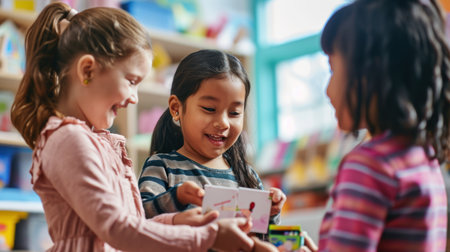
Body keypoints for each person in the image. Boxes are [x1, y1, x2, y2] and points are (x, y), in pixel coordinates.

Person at [10, 2, 274, 251]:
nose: (134, 97)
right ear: (88, 71)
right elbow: (117, 229)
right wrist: (209, 236)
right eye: (131, 80)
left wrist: (177, 223)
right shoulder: (68, 140)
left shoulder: (92, 141)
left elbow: (132, 224)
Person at [302, 0, 449, 251]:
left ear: (370, 73)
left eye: (332, 68)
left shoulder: (369, 165)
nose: (327, 90)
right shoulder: (426, 158)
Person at [138, 49, 286, 233]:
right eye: (209, 109)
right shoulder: (162, 166)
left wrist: (271, 212)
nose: (223, 123)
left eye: (234, 113)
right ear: (176, 108)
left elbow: (260, 237)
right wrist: (177, 198)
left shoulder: (248, 177)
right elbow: (139, 220)